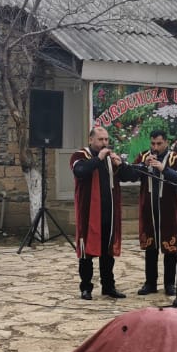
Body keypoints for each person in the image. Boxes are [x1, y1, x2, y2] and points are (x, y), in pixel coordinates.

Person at [71, 125, 140, 300]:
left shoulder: (111, 158)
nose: (104, 143)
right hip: (88, 214)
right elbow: (80, 171)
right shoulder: (80, 156)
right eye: (100, 139)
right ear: (91, 140)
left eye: (106, 139)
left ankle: (108, 287)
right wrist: (99, 158)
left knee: (108, 253)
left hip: (109, 213)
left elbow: (131, 176)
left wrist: (121, 165)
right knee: (86, 254)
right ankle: (86, 288)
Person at [134, 128, 177, 296]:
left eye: (159, 143)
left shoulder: (175, 158)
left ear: (166, 142)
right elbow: (131, 175)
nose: (155, 147)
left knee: (170, 249)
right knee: (150, 248)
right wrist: (143, 165)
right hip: (149, 209)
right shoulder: (144, 156)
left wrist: (163, 169)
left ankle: (169, 284)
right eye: (153, 143)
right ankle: (150, 283)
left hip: (169, 210)